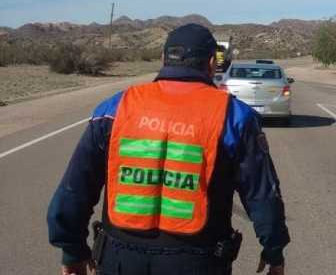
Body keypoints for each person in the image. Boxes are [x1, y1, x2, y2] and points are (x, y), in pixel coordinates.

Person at [47, 23, 290, 275]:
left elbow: (75, 189)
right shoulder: (235, 117)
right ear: (211, 63)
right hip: (199, 262)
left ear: (163, 59)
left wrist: (72, 250)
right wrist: (274, 251)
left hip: (119, 260)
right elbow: (262, 196)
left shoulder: (115, 109)